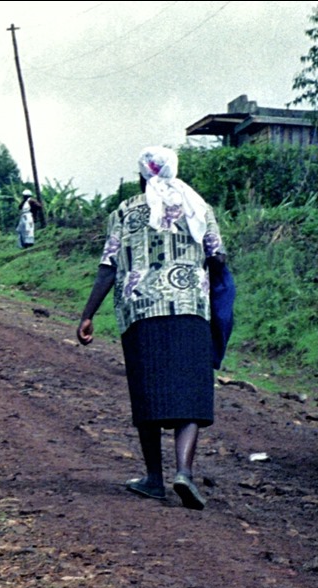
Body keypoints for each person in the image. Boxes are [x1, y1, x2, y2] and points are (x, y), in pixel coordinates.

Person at [77, 146, 227, 510]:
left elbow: (109, 266)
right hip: (191, 309)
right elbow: (218, 256)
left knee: (149, 391)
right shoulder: (198, 207)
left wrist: (88, 314)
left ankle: (154, 480)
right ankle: (185, 473)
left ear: (142, 175)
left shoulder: (126, 211)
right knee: (191, 391)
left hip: (141, 311)